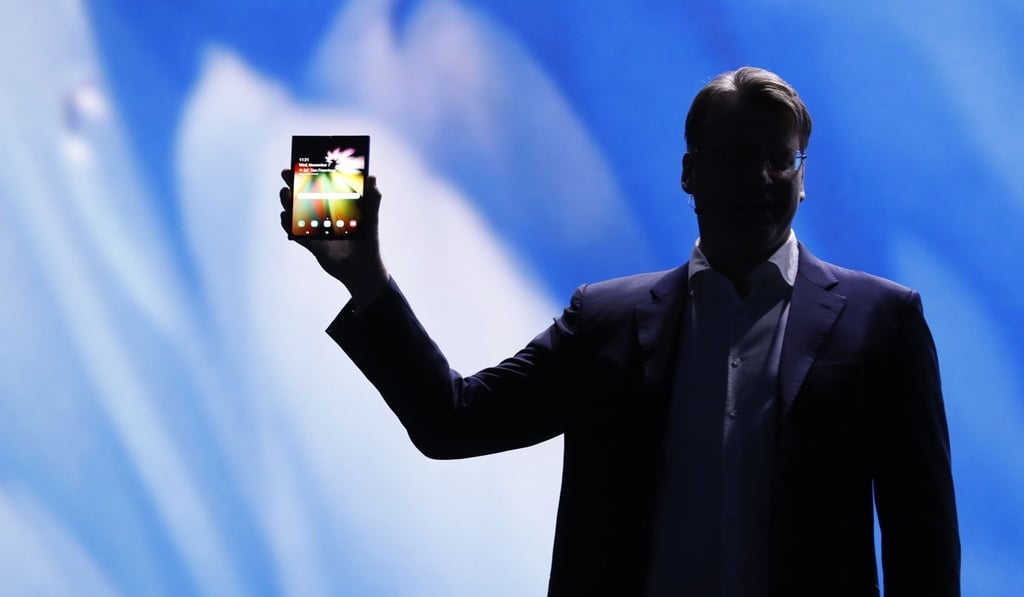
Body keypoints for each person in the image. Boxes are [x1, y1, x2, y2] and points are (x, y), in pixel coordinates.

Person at [278, 67, 960, 596]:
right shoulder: (604, 320)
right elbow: (452, 421)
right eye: (732, 155)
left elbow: (921, 540)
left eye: (780, 159)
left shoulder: (883, 321)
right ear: (689, 173)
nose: (760, 177)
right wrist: (365, 279)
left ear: (802, 178)